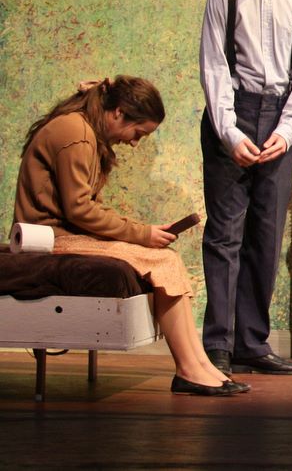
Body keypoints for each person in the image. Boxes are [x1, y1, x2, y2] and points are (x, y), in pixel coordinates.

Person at [13, 76, 247, 396]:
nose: (135, 143)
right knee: (162, 261)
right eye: (138, 133)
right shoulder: (76, 133)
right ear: (118, 113)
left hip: (65, 234)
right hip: (49, 240)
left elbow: (85, 207)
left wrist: (141, 232)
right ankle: (189, 369)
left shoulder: (85, 129)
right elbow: (79, 209)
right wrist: (140, 234)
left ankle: (200, 364)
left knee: (167, 258)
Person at [199, 0, 292, 375]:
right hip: (233, 113)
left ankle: (251, 342)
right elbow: (214, 70)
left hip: (279, 118)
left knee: (266, 236)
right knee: (224, 234)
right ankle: (218, 345)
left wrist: (287, 132)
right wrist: (230, 134)